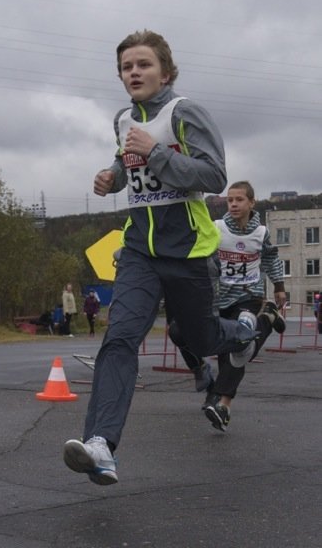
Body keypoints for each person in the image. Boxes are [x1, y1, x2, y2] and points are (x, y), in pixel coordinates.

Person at [63, 30, 285, 486]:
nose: (134, 73)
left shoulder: (184, 112)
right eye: (126, 67)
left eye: (143, 64)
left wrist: (157, 152)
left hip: (187, 251)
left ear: (165, 71)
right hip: (139, 251)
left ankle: (242, 330)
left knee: (200, 338)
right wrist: (113, 177)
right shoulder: (124, 118)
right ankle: (101, 446)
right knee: (120, 339)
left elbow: (213, 174)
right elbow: (128, 163)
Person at [170, 181, 286, 431]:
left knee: (239, 347)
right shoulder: (216, 228)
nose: (233, 204)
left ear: (252, 203)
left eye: (239, 200)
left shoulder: (261, 233)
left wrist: (279, 286)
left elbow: (271, 258)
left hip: (248, 298)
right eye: (230, 200)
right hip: (216, 298)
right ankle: (201, 370)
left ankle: (223, 405)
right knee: (178, 330)